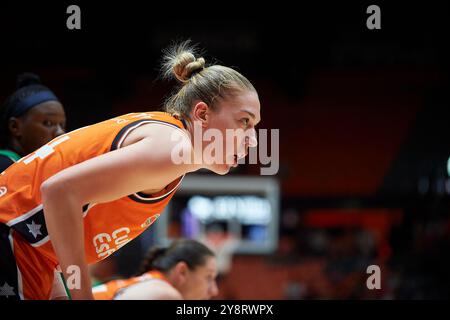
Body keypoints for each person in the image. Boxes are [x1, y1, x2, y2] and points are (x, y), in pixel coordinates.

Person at [0, 40, 260, 300]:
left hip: (26, 249)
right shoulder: (171, 149)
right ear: (202, 114)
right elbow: (58, 191)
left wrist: (59, 293)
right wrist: (82, 296)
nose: (253, 139)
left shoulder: (168, 145)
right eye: (244, 121)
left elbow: (50, 227)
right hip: (11, 239)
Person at [92, 239, 218, 300]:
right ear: (182, 272)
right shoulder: (166, 295)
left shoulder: (150, 285)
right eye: (209, 277)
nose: (214, 291)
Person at [0, 73, 66, 172]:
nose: (60, 133)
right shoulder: (4, 165)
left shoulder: (37, 166)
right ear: (15, 126)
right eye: (48, 123)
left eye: (62, 125)